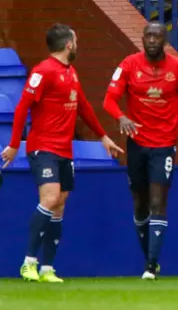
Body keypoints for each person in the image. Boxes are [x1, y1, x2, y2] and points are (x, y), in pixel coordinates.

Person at [1, 23, 123, 283]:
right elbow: (23, 107)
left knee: (60, 203)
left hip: (65, 149)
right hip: (43, 147)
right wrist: (14, 143)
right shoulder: (42, 71)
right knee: (50, 197)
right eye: (75, 41)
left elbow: (84, 107)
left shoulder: (72, 73)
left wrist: (103, 136)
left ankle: (47, 268)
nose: (77, 45)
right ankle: (28, 263)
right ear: (68, 44)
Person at [103, 21, 178, 280]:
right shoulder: (129, 65)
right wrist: (121, 117)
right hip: (136, 142)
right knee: (140, 203)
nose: (152, 40)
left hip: (164, 143)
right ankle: (149, 255)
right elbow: (109, 100)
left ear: (165, 40)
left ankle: (150, 265)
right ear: (143, 38)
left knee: (158, 200)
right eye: (148, 35)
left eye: (157, 36)